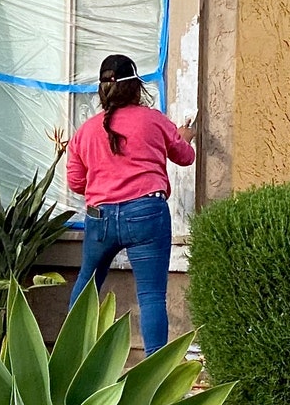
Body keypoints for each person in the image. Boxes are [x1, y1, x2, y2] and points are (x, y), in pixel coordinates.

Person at [65, 54, 195, 354]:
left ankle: (69, 362)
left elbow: (75, 182)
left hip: (100, 219)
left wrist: (105, 183)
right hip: (147, 213)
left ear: (102, 90)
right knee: (151, 296)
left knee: (86, 287)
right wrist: (185, 136)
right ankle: (154, 376)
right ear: (136, 87)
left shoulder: (85, 131)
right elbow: (185, 157)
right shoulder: (153, 121)